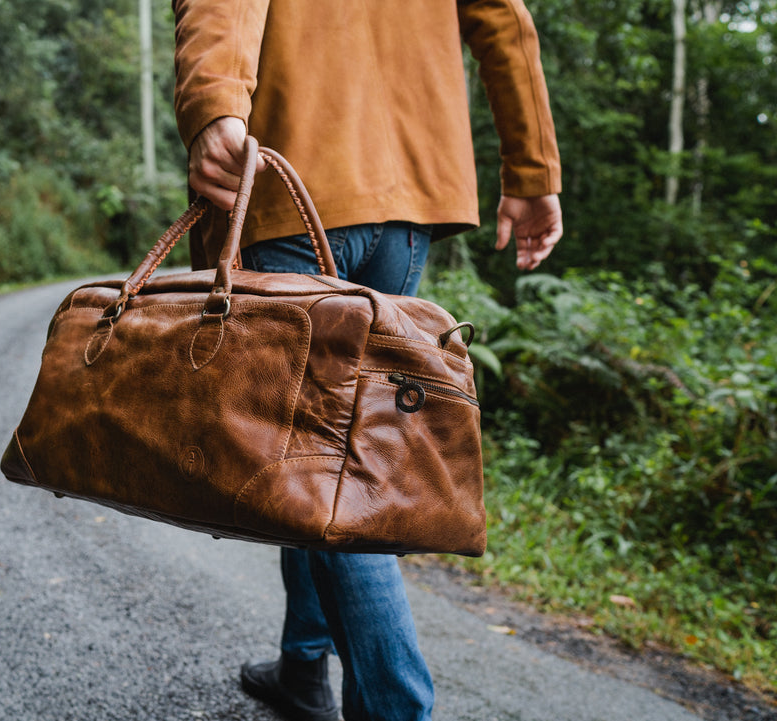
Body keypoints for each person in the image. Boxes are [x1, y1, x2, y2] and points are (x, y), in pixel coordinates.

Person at [171, 2, 563, 720]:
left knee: (326, 467)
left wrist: (211, 103)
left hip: (297, 180)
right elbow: (503, 15)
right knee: (324, 445)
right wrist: (531, 167)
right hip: (407, 197)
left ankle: (395, 708)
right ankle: (302, 663)